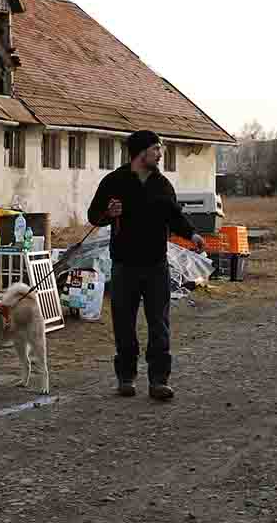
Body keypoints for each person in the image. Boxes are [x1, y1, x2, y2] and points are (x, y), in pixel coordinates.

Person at [87, 130, 204, 401]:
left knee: (159, 325)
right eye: (156, 149)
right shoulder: (114, 182)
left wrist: (193, 234)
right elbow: (94, 215)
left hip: (156, 266)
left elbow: (175, 217)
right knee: (124, 325)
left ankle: (159, 381)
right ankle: (126, 379)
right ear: (141, 152)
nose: (160, 154)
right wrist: (108, 214)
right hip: (124, 266)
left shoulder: (162, 185)